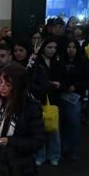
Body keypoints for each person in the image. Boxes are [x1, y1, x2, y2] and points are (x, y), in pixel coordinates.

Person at [30, 37, 62, 166]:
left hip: (53, 99)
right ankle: (40, 155)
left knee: (54, 129)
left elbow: (63, 77)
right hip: (39, 98)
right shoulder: (36, 61)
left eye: (54, 48)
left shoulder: (58, 61)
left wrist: (59, 84)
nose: (52, 50)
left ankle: (54, 155)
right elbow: (31, 78)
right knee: (40, 129)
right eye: (49, 47)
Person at [59, 39, 89, 160]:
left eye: (74, 47)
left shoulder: (83, 61)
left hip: (75, 97)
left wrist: (76, 86)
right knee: (62, 124)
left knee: (73, 124)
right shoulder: (60, 60)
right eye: (68, 47)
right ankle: (63, 149)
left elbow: (88, 79)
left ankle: (72, 150)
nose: (71, 50)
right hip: (61, 95)